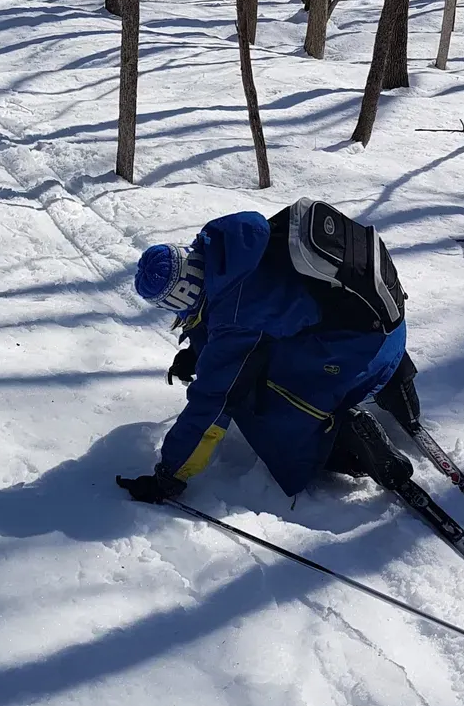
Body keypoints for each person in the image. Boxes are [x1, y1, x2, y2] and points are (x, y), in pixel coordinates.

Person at [116, 199, 420, 505]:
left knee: (254, 398)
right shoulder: (233, 242)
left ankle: (345, 441)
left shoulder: (234, 314)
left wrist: (169, 475)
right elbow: (258, 308)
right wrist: (198, 354)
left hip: (359, 358)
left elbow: (212, 403)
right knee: (262, 351)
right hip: (388, 331)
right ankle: (398, 386)